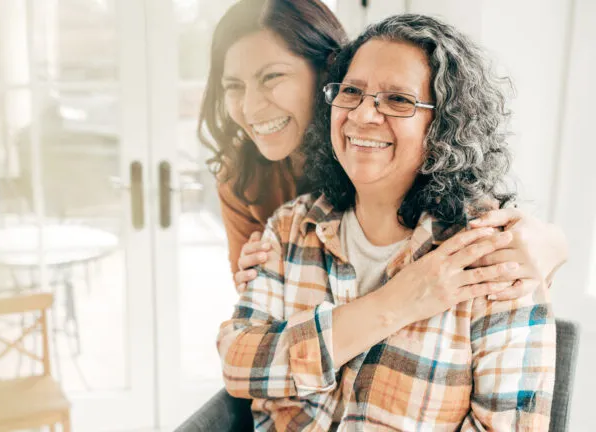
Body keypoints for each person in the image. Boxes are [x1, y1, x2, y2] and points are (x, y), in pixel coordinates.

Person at [217, 14, 556, 431]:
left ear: (445, 125)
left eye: (398, 100)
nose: (363, 115)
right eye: (352, 92)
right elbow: (237, 366)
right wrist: (397, 302)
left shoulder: (491, 256)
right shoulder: (290, 226)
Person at [198, 0, 567, 296]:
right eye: (233, 86)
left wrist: (554, 244)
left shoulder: (393, 154)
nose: (249, 109)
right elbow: (261, 325)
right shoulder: (241, 180)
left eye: (272, 77)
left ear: (330, 72)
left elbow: (498, 236)